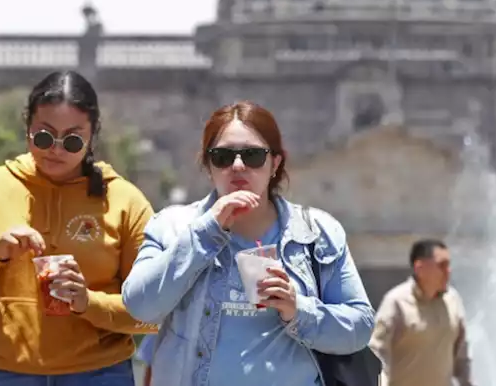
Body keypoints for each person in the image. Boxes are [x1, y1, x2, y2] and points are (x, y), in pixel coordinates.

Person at [0, 70, 156, 385]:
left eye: (72, 140)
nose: (55, 149)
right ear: (27, 128)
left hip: (99, 374)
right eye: (44, 136)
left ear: (92, 137)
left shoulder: (125, 200)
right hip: (2, 373)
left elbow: (153, 312)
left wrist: (89, 302)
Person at [122, 101, 375, 386]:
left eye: (253, 156)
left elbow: (360, 326)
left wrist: (298, 309)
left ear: (275, 163)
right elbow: (139, 305)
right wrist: (206, 232)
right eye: (222, 157)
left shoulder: (318, 233)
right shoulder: (172, 226)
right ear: (208, 165)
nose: (238, 166)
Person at [368, 239, 473, 386]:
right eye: (441, 265)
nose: (448, 271)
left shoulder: (453, 300)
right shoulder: (396, 302)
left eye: (448, 265)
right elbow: (376, 353)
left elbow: (462, 358)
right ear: (420, 268)